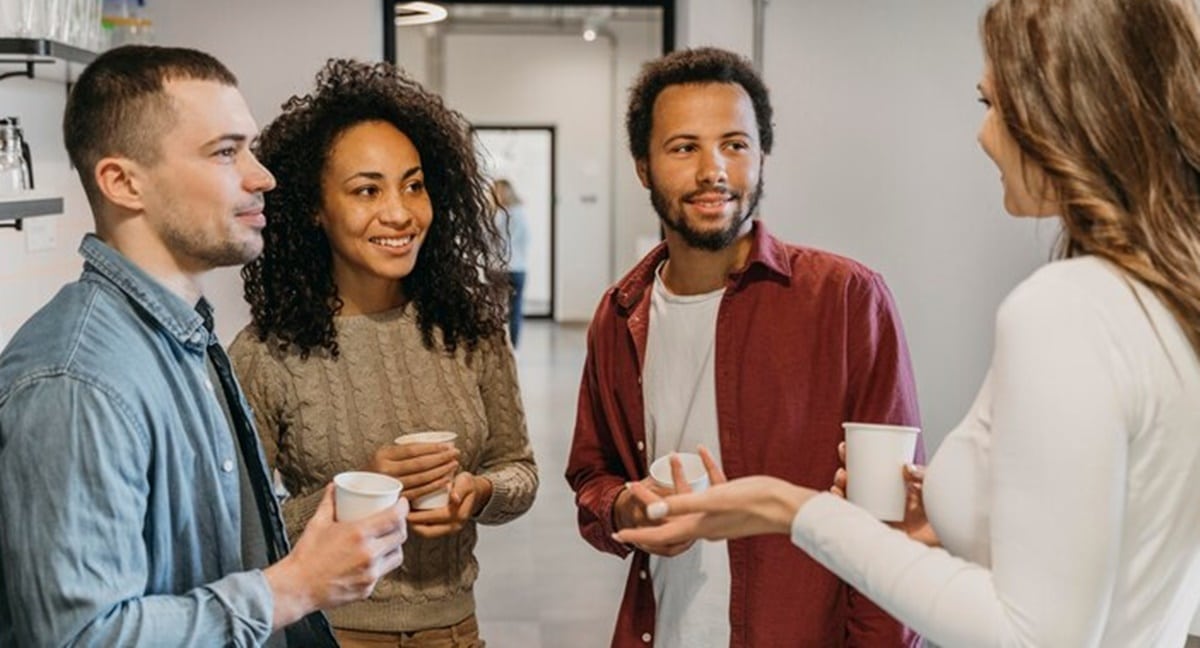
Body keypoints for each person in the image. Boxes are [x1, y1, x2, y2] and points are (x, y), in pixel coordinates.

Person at [616, 1, 1200, 646]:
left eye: (992, 104)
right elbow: (1107, 562)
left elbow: (1039, 636)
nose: (984, 135)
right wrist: (959, 520)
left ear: (1068, 111)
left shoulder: (1065, 308)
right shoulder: (1167, 295)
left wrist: (789, 508)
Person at [0, 45, 408, 647]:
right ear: (123, 182)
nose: (261, 175)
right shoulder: (76, 381)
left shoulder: (183, 334)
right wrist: (295, 586)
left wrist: (318, 541)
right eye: (225, 152)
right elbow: (81, 638)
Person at [565, 47, 923, 647]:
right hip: (664, 627)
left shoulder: (845, 299)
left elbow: (888, 520)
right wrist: (627, 508)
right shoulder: (620, 312)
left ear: (762, 155)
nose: (715, 171)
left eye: (735, 144)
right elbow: (591, 474)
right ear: (642, 166)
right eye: (684, 147)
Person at [230, 59, 538, 648]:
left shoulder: (470, 329)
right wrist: (353, 491)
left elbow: (519, 468)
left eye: (414, 184)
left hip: (457, 631)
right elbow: (241, 531)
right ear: (315, 208)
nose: (399, 212)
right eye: (367, 190)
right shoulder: (266, 353)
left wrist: (480, 494)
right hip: (330, 634)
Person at [493, 178, 530, 347]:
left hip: (497, 269)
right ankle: (515, 348)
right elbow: (526, 240)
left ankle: (497, 349)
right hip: (518, 268)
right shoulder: (522, 213)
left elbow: (489, 241)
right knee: (516, 310)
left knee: (496, 310)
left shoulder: (497, 214)